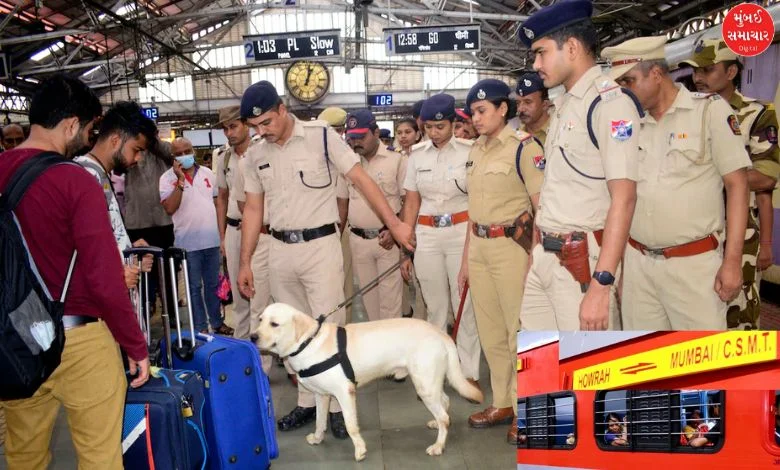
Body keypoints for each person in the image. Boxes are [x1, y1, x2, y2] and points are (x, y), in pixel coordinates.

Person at [237, 81, 414, 439]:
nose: (262, 131)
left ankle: (337, 406)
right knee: (289, 335)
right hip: (280, 251)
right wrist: (245, 261)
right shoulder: (256, 155)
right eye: (255, 127)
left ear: (283, 110)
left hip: (321, 247)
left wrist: (394, 224)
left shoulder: (320, 137)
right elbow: (254, 209)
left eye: (267, 122)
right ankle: (306, 402)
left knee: (328, 329)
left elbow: (361, 180)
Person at [0, 74, 149, 470]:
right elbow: (104, 277)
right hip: (80, 339)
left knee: (23, 456)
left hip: (17, 338)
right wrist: (134, 345)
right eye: (86, 130)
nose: (85, 139)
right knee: (100, 456)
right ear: (69, 124)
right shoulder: (75, 181)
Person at [603, 36, 749, 330]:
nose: (623, 91)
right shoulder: (627, 124)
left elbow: (738, 185)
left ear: (656, 74)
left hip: (693, 266)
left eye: (629, 81)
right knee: (645, 362)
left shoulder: (708, 112)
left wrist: (732, 261)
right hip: (638, 266)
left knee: (702, 366)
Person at [518, 0, 640, 331]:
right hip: (546, 257)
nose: (536, 64)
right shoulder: (565, 105)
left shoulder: (609, 105)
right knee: (542, 369)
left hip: (581, 265)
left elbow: (624, 198)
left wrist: (602, 284)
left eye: (541, 52)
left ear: (571, 47)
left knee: (587, 375)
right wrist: (536, 253)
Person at [461, 79, 544, 443]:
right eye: (473, 113)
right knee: (490, 331)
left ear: (502, 110)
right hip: (479, 246)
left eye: (481, 111)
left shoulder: (523, 148)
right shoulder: (475, 150)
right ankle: (502, 401)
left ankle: (524, 406)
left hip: (512, 248)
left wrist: (535, 257)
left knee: (516, 332)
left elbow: (541, 207)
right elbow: (473, 210)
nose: (476, 119)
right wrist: (466, 259)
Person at [681, 38, 780, 330]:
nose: (698, 78)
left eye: (708, 70)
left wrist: (765, 245)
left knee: (739, 314)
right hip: (693, 233)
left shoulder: (756, 114)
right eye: (695, 72)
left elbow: (766, 177)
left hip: (739, 237)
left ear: (731, 73)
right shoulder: (683, 115)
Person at [400, 93, 481, 390]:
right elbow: (411, 200)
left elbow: (477, 199)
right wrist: (406, 243)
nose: (435, 133)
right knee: (435, 307)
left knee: (465, 304)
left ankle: (468, 371)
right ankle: (435, 371)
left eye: (441, 127)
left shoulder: (470, 152)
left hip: (461, 232)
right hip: (427, 235)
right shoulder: (417, 155)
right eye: (430, 128)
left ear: (453, 123)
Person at [74, 101, 158, 287]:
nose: (138, 159)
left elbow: (103, 236)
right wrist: (118, 273)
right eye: (136, 150)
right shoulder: (86, 177)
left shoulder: (99, 174)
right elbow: (86, 249)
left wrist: (129, 251)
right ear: (115, 140)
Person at [160, 137, 234, 335]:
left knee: (213, 285)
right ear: (173, 157)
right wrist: (180, 182)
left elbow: (219, 204)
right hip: (187, 244)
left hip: (211, 241)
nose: (185, 156)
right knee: (193, 288)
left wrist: (222, 236)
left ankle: (217, 323)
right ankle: (200, 328)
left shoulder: (208, 173)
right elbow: (169, 208)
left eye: (188, 151)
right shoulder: (167, 179)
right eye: (180, 153)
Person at [345, 109, 407, 322]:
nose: (356, 143)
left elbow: (407, 200)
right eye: (352, 138)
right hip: (358, 241)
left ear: (376, 132)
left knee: (390, 306)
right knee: (369, 305)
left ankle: (393, 354)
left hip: (387, 242)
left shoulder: (395, 160)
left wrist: (394, 230)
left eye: (361, 137)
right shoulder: (349, 163)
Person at [214, 105, 257, 340]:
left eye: (233, 126)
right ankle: (242, 347)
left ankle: (271, 347)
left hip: (260, 232)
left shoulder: (261, 153)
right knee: (240, 298)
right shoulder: (224, 158)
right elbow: (221, 198)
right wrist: (222, 236)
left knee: (263, 292)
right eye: (225, 129)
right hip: (234, 230)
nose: (229, 133)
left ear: (246, 125)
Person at [317, 106, 354, 325]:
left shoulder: (348, 155)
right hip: (317, 233)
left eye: (338, 131)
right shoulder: (312, 155)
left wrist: (339, 231)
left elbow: (345, 201)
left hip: (341, 229)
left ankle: (343, 329)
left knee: (342, 285)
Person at [510, 72, 552, 145]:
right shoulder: (514, 134)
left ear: (545, 104)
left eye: (528, 102)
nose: (520, 109)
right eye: (518, 103)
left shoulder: (557, 132)